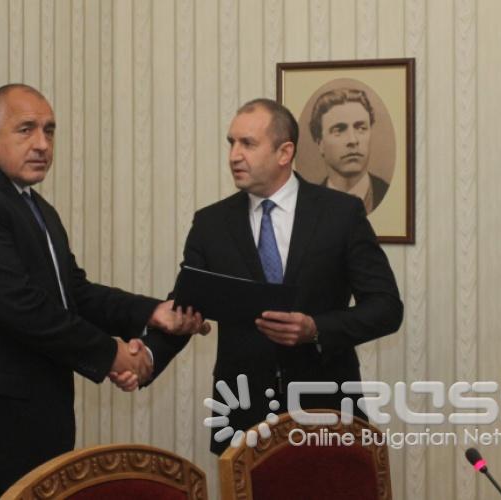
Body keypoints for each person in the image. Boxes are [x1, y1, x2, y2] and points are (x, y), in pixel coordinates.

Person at [0, 84, 207, 499]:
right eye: (26, 130)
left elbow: (73, 292)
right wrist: (112, 354)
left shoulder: (33, 206)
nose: (42, 144)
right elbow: (20, 307)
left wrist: (151, 313)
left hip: (16, 441)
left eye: (50, 130)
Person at [139, 98, 403, 455]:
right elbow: (186, 310)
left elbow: (386, 307)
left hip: (326, 408)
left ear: (284, 152)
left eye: (247, 144)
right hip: (242, 413)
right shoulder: (211, 224)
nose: (234, 155)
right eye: (231, 143)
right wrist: (146, 358)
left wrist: (316, 328)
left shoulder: (340, 214)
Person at [309, 88, 389, 214]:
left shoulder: (390, 195)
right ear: (320, 144)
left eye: (361, 128)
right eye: (339, 130)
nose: (353, 140)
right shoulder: (308, 205)